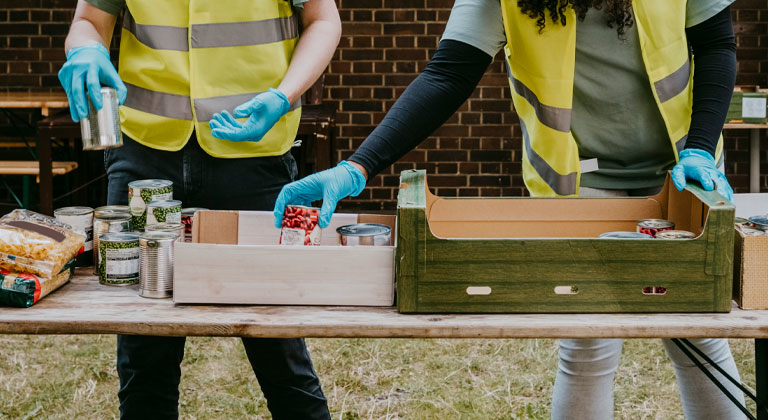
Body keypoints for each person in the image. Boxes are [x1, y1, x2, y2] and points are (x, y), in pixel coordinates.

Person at [273, 0, 745, 419]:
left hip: (682, 175)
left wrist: (701, 148)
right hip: (581, 187)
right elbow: (448, 73)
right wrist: (359, 166)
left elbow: (716, 47)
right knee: (587, 343)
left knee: (700, 336)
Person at [58, 0, 340, 418]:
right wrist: (86, 48)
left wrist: (284, 95)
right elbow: (88, 22)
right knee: (144, 349)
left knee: (278, 345)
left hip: (254, 157)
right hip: (146, 158)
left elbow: (322, 20)